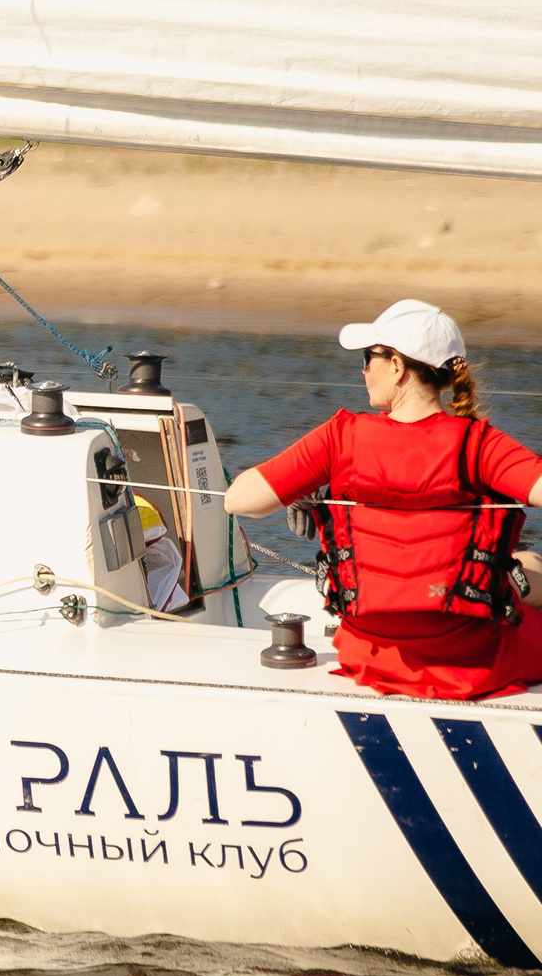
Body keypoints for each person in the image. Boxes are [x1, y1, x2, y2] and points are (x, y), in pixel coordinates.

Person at [221, 298, 542, 700]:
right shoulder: (478, 445)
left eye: (369, 357)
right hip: (472, 662)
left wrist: (304, 489)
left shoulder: (340, 438)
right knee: (529, 565)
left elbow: (238, 500)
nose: (363, 369)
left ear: (397, 365)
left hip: (371, 658)